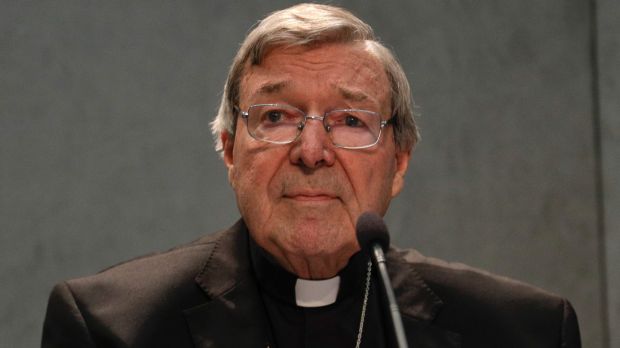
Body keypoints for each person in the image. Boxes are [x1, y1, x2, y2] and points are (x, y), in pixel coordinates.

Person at [42, 3, 581, 347]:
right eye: (276, 117)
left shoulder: (523, 332)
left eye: (350, 120)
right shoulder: (111, 327)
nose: (312, 150)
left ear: (398, 163)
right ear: (230, 152)